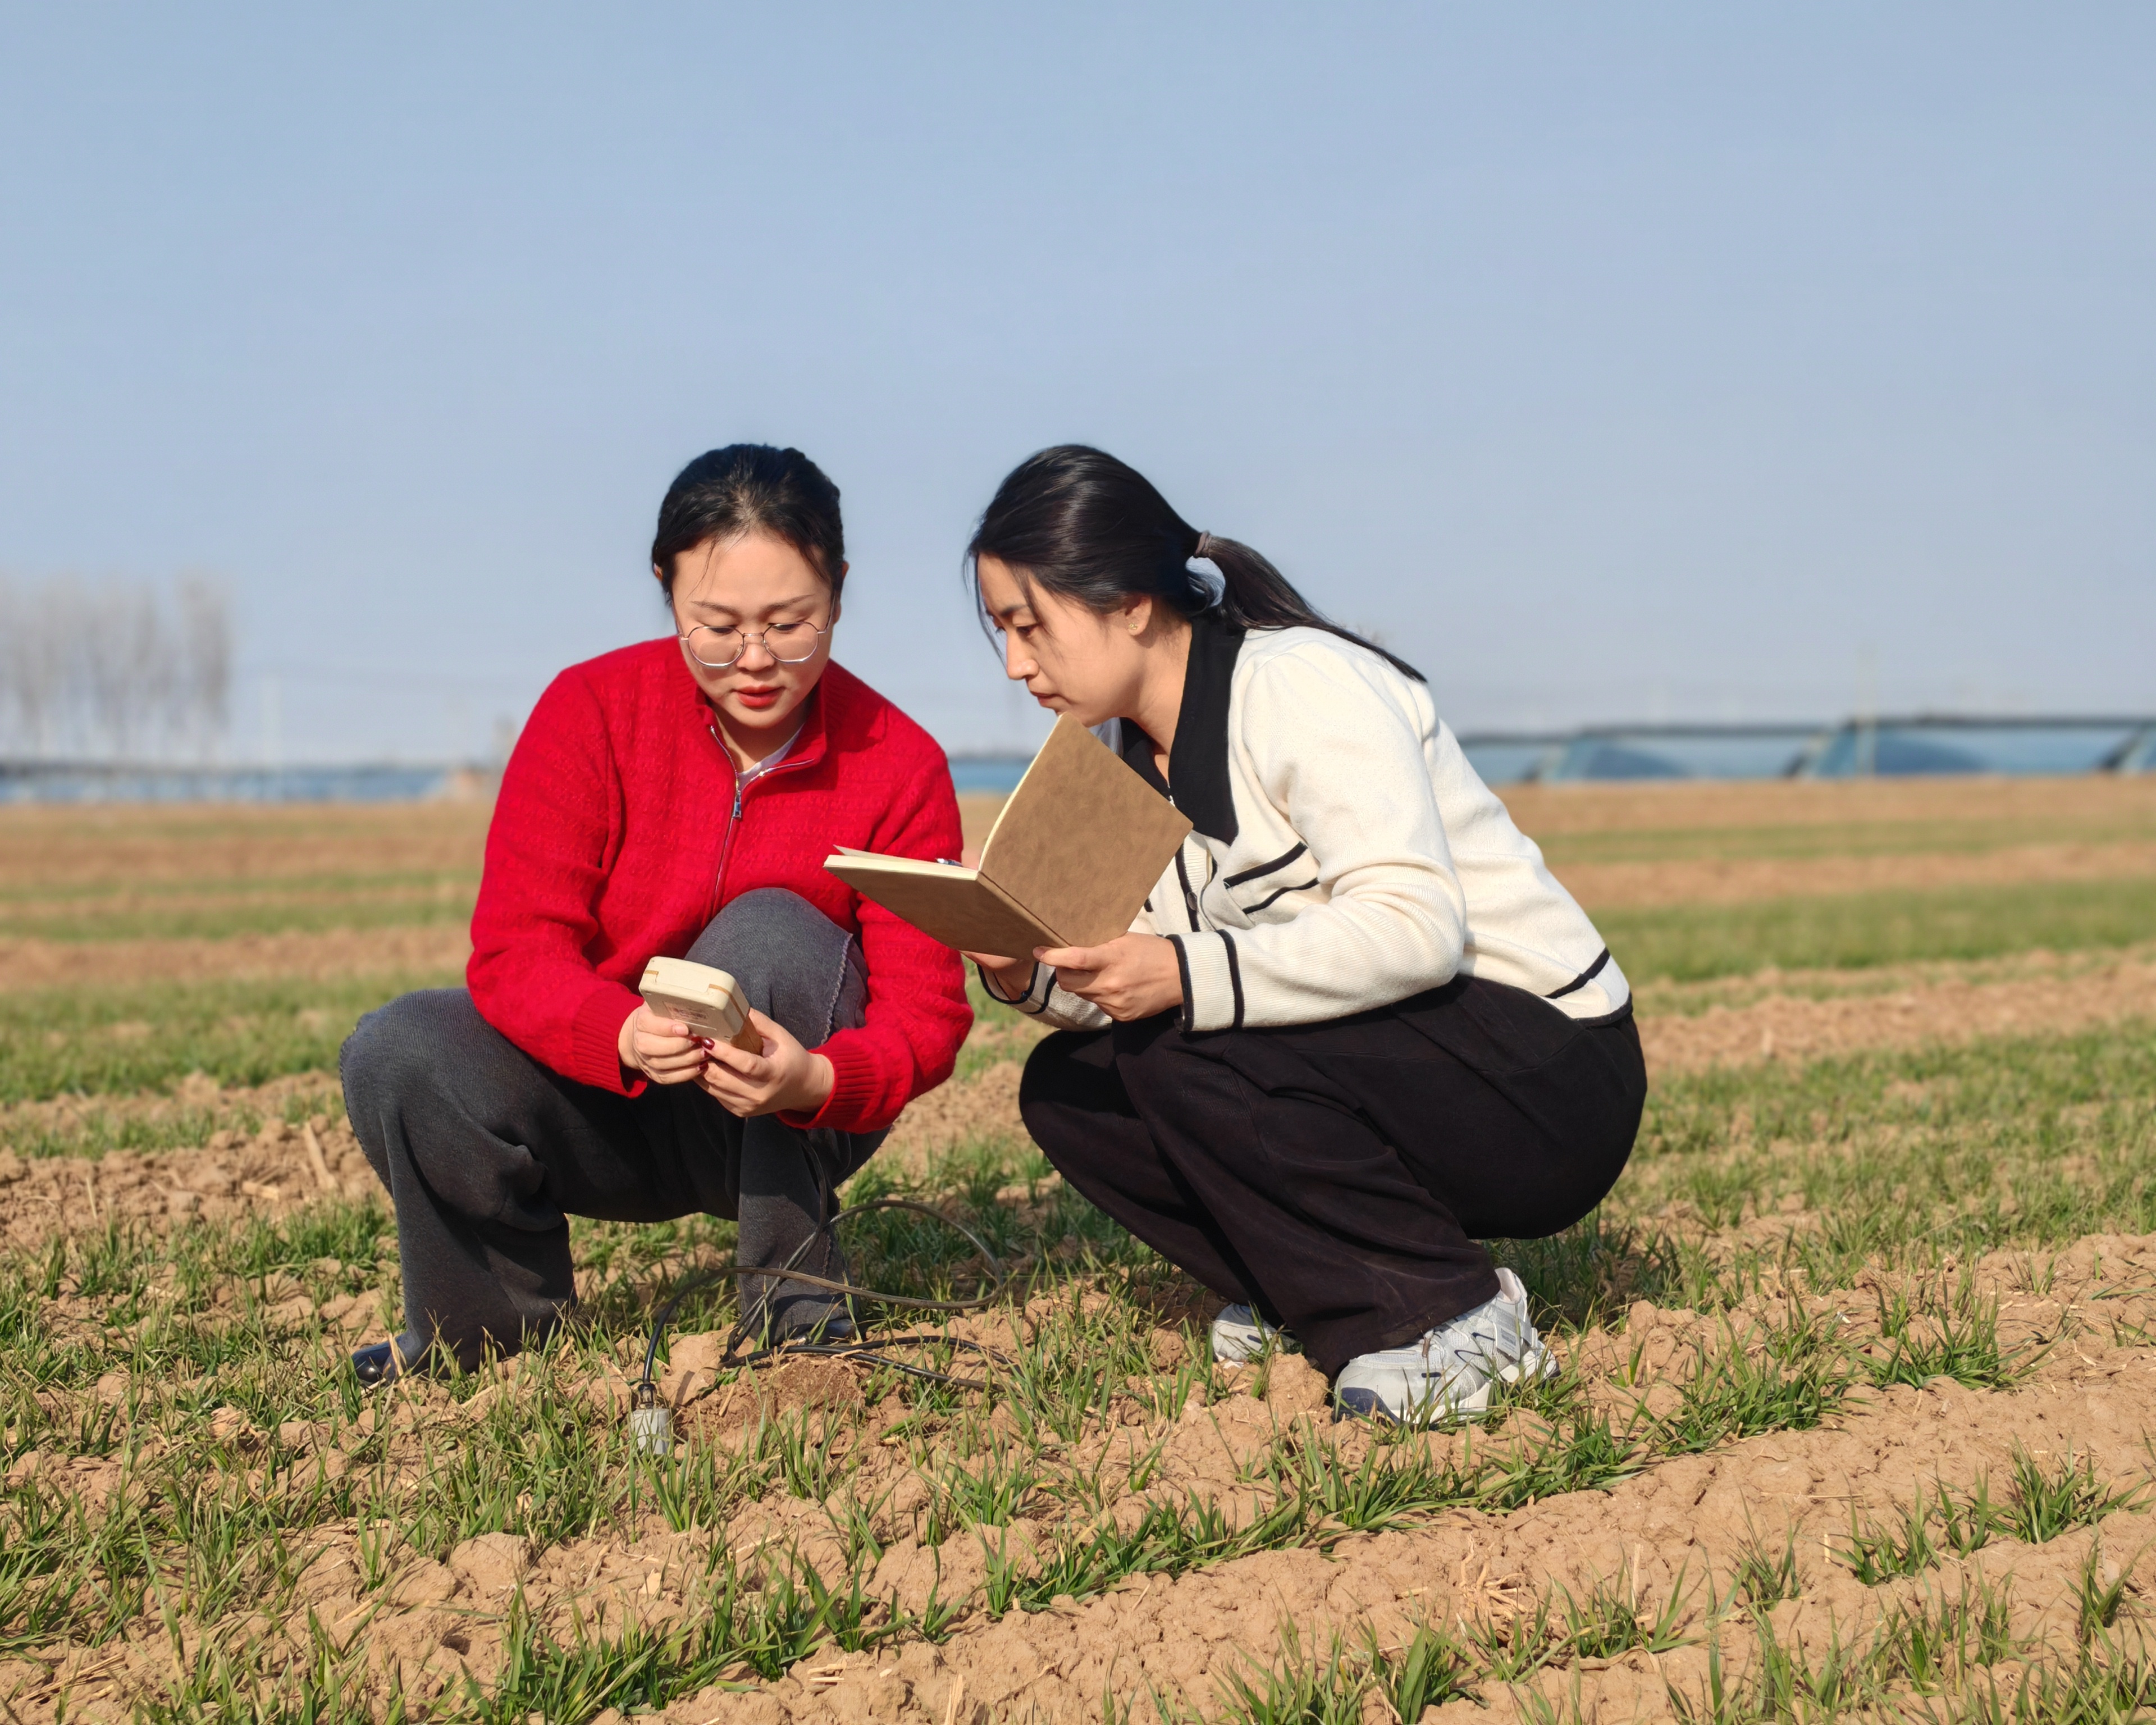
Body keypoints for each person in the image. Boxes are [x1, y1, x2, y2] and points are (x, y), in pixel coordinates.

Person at [964, 446, 1646, 1423]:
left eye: (1030, 626)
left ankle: (1453, 1320)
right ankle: (1315, 1287)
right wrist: (1021, 966)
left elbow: (1415, 927)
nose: (1015, 664)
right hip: (1390, 1059)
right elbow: (1131, 985)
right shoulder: (1104, 761)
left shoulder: (1300, 685)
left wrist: (1182, 974)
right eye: (1001, 631)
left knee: (1181, 1040)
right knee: (1073, 1094)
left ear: (1132, 603)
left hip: (1544, 1074)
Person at [339, 445, 971, 1382]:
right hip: (608, 1099)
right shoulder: (589, 712)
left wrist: (815, 1079)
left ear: (839, 593)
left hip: (787, 1106)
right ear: (666, 592)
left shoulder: (900, 763)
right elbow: (515, 951)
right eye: (717, 626)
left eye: (789, 624)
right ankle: (486, 1330)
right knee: (399, 1049)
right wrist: (623, 1035)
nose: (755, 660)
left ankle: (796, 1312)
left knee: (770, 929)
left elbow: (928, 1016)